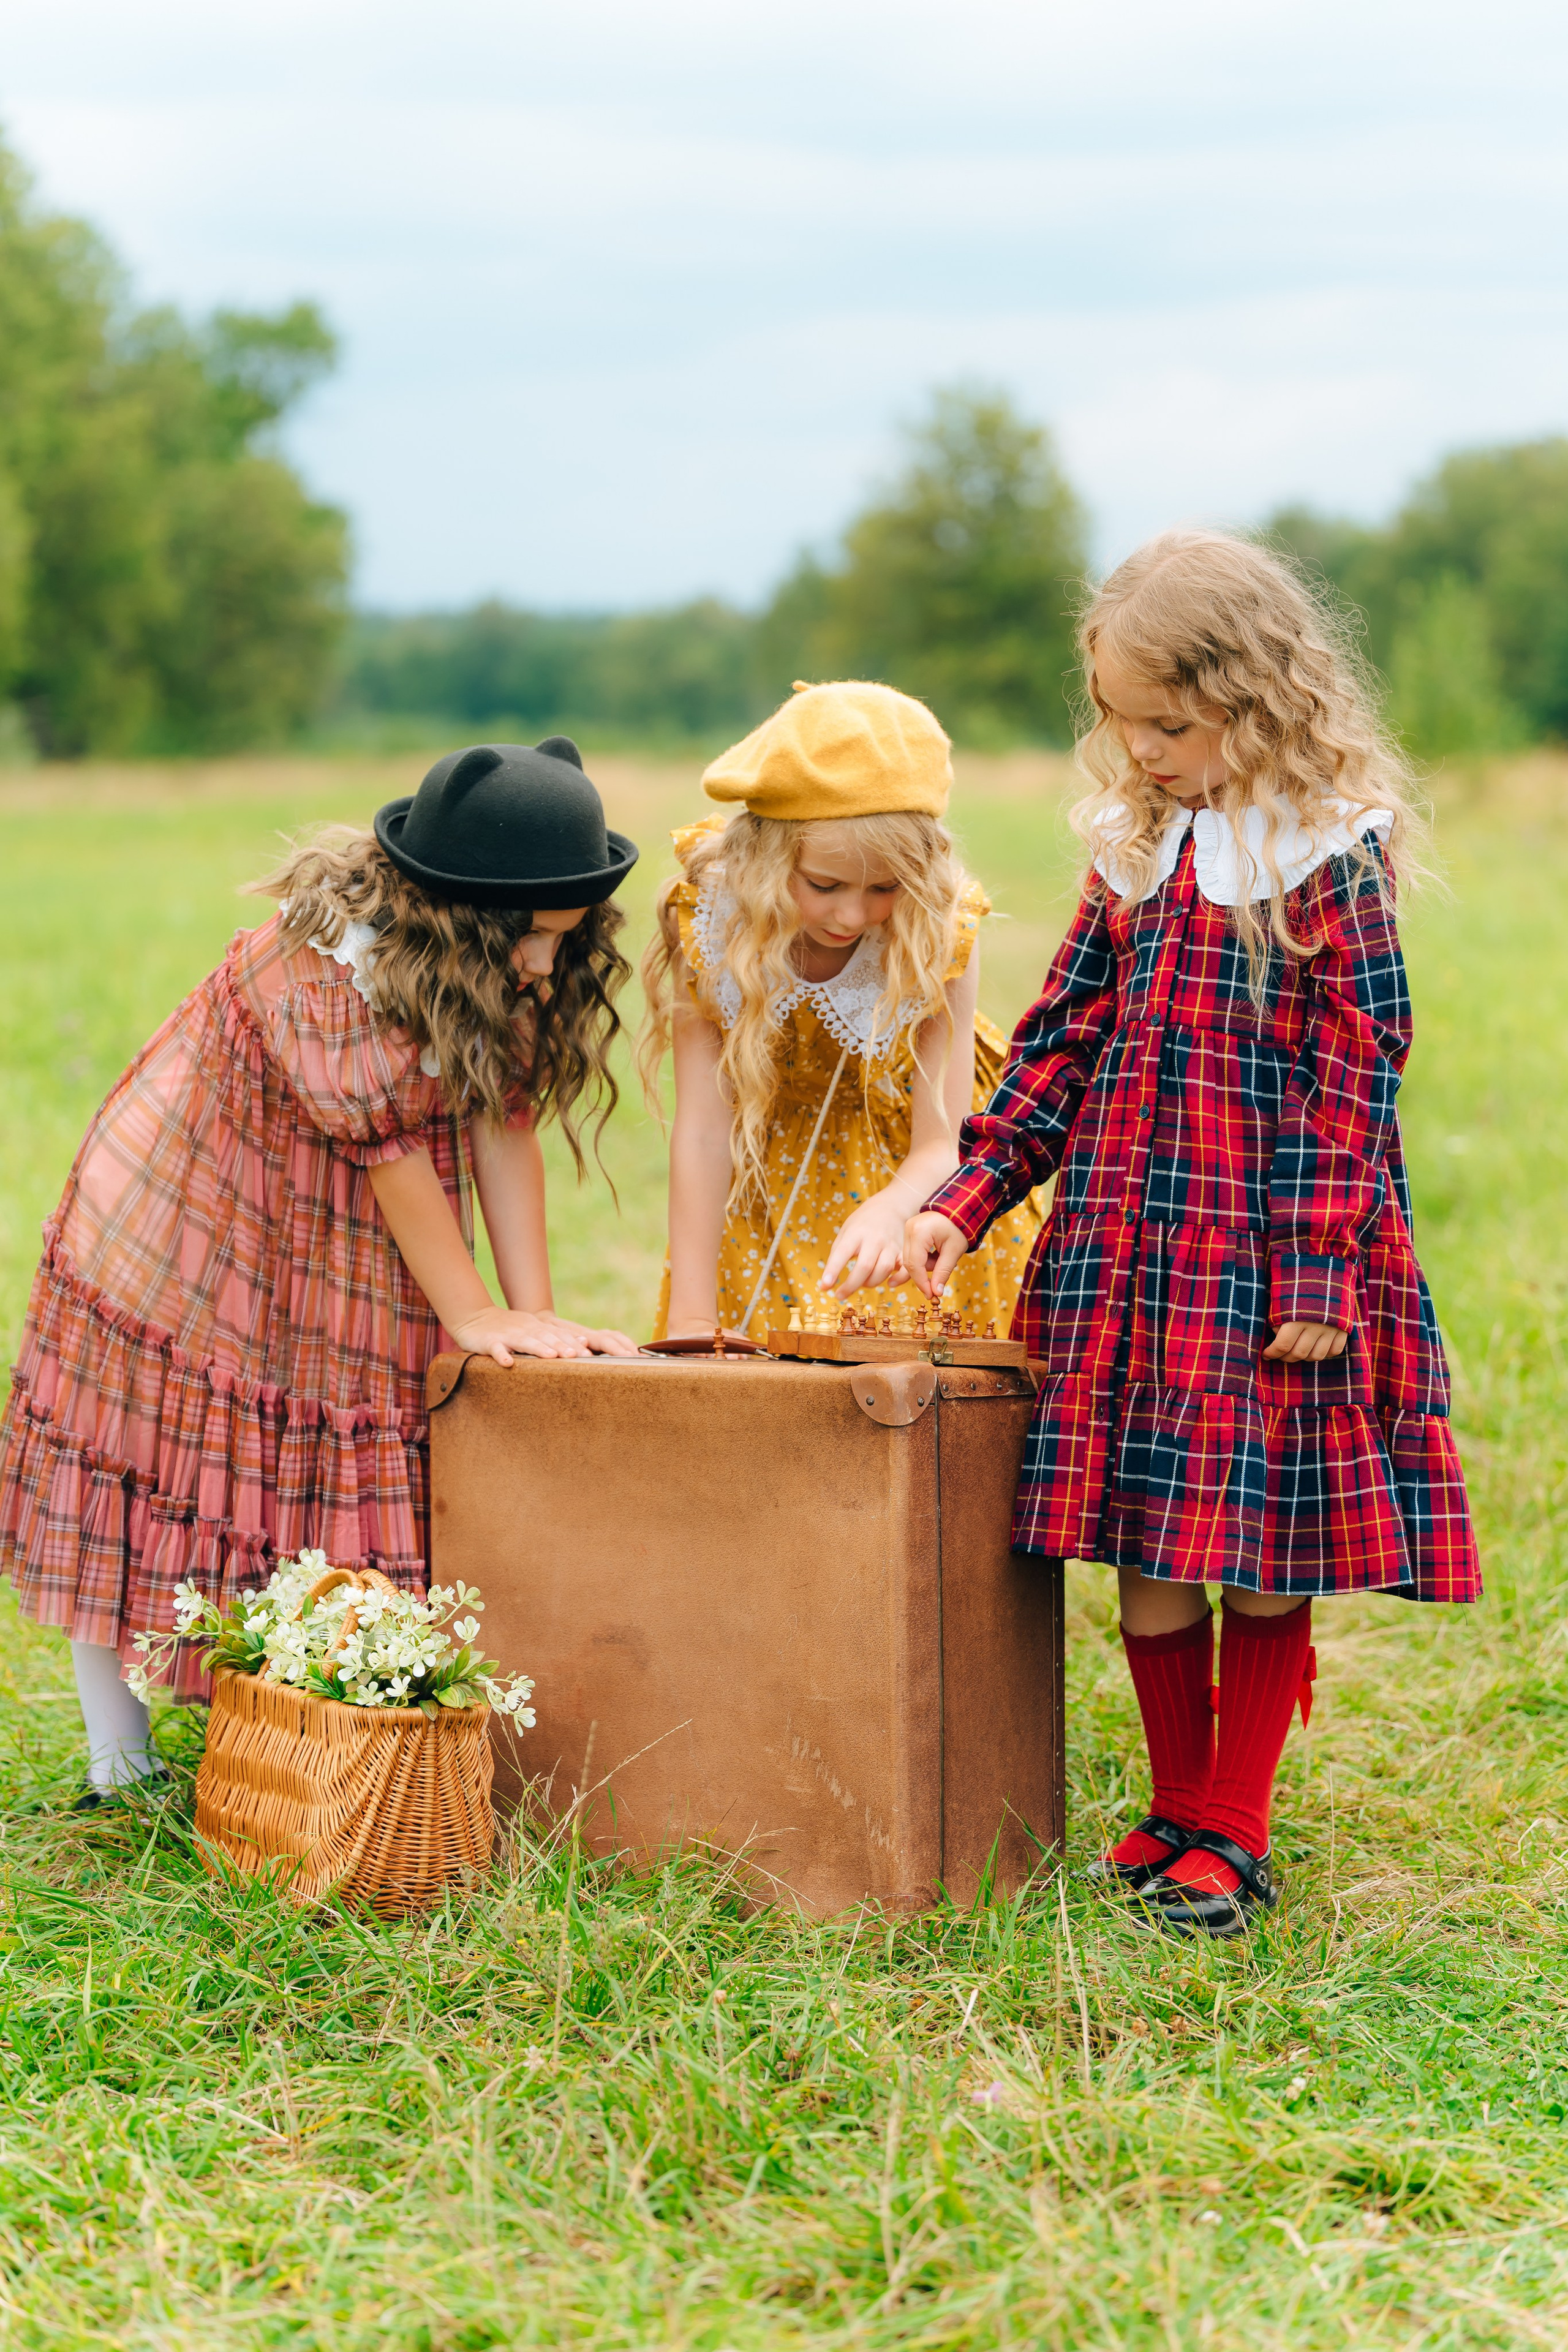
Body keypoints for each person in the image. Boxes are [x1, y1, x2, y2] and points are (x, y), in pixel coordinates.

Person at [905, 532, 1480, 1940]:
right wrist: (961, 1196)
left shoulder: (1324, 856)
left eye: (1165, 724)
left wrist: (1313, 1269)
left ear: (1256, 696)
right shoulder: (1139, 852)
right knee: (1149, 1531)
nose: (1139, 749)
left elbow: (1353, 1077)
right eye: (1118, 721)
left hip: (1269, 1261)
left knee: (1255, 1540)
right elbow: (1057, 1043)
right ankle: (1171, 1807)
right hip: (1130, 1251)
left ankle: (1232, 1822)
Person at [0, 738, 639, 1804]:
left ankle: (324, 1732)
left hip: (339, 1230)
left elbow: (504, 1127)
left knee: (361, 1426)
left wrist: (537, 1322)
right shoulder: (321, 962)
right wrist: (473, 1313)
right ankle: (120, 1762)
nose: (541, 963)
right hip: (202, 1224)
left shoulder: (506, 960)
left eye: (560, 941)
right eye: (530, 940)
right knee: (154, 1456)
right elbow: (388, 1155)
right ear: (461, 916)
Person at [639, 680, 1044, 1344]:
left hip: (913, 1187)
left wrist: (892, 1208)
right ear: (768, 862)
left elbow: (940, 1144)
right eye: (823, 886)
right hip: (765, 1187)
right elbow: (705, 1131)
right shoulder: (713, 923)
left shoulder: (935, 932)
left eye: (883, 888)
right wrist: (691, 1315)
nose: (851, 916)